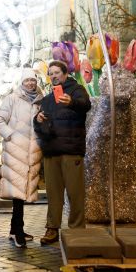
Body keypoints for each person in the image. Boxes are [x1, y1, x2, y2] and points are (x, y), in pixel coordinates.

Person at [34, 60, 91, 245]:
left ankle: (77, 229)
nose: (53, 76)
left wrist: (72, 102)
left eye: (57, 72)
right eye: (50, 73)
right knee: (53, 194)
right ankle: (52, 228)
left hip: (71, 151)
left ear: (65, 74)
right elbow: (41, 126)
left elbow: (85, 105)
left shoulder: (76, 90)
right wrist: (38, 119)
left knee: (75, 194)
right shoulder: (48, 99)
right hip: (52, 152)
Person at [0, 68, 44, 248]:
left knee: (23, 192)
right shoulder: (12, 98)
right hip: (16, 150)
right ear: (21, 82)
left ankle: (14, 230)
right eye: (27, 81)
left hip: (32, 151)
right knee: (18, 193)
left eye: (33, 80)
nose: (30, 83)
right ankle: (18, 231)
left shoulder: (40, 99)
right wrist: (11, 136)